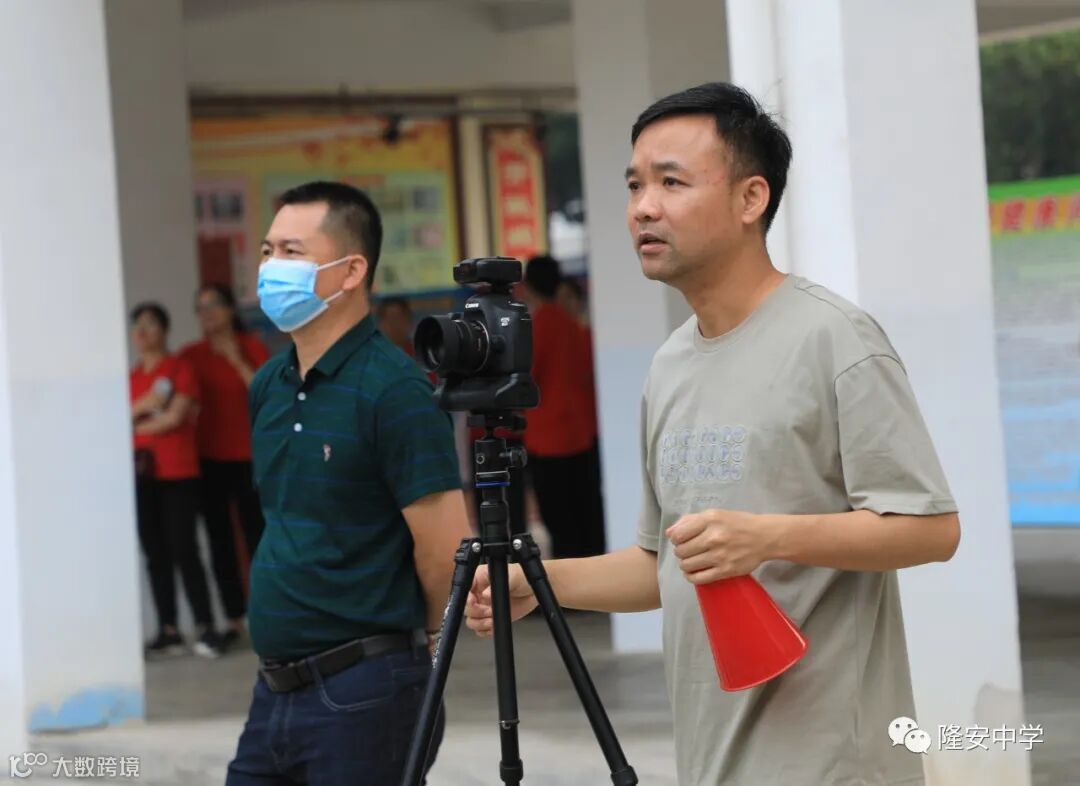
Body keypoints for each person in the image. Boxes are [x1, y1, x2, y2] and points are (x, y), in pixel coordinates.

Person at [466, 83, 962, 785]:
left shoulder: (836, 339)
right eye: (635, 185)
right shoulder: (670, 364)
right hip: (711, 761)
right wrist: (539, 583)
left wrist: (769, 537)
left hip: (832, 767)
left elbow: (931, 528)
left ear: (751, 199)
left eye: (672, 182)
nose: (644, 206)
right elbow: (660, 566)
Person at [227, 181, 470, 786]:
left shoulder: (395, 390)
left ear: (351, 271)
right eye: (268, 251)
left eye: (292, 252)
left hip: (363, 691)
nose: (271, 268)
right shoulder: (269, 385)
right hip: (273, 691)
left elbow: (444, 549)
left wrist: (426, 650)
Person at [129, 302, 225, 659]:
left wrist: (136, 419)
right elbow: (123, 417)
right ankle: (168, 629)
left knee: (185, 549)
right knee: (155, 553)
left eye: (150, 324)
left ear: (165, 330)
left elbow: (174, 417)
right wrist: (144, 407)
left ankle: (205, 625)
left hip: (178, 473)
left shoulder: (179, 368)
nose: (142, 332)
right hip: (142, 475)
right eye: (137, 326)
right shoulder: (132, 377)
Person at [180, 284, 270, 648]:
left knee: (258, 537)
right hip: (209, 459)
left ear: (231, 309)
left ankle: (266, 613)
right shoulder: (190, 355)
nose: (207, 313)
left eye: (214, 305)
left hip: (251, 457)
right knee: (220, 542)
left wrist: (235, 359)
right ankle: (233, 617)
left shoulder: (251, 347)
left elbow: (266, 395)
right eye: (200, 307)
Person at [520, 255, 606, 558]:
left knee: (559, 525)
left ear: (527, 286)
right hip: (580, 435)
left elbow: (526, 380)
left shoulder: (535, 328)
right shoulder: (574, 326)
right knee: (586, 519)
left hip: (548, 441)